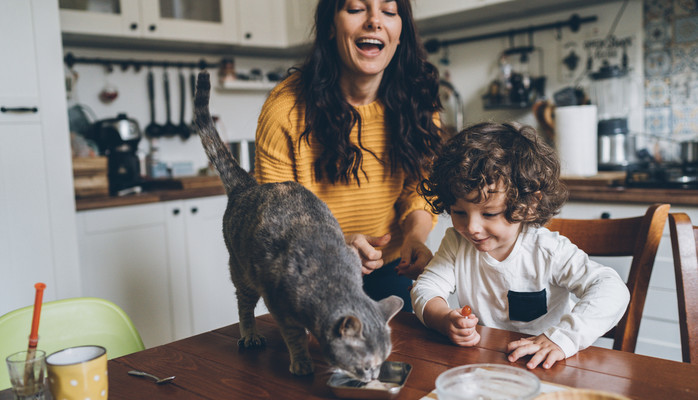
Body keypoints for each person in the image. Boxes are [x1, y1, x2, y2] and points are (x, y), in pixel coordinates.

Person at [254, 0, 443, 311]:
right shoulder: (285, 109)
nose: (374, 21)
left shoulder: (418, 100)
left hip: (393, 267)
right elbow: (277, 221)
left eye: (389, 11)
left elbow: (419, 189)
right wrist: (333, 246)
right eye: (356, 8)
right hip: (314, 271)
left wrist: (415, 238)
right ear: (330, 26)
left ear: (400, 32)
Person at [411, 122, 630, 369]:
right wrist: (443, 318)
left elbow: (612, 288)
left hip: (545, 366)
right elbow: (425, 288)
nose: (471, 227)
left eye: (490, 213)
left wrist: (562, 338)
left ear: (528, 205)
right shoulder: (456, 243)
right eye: (459, 212)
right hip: (484, 364)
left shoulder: (547, 250)